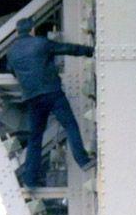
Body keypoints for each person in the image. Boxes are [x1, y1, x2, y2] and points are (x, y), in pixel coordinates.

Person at [6, 17, 95, 188]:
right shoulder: (41, 43)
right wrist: (89, 50)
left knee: (35, 139)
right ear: (32, 29)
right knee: (70, 125)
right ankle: (83, 160)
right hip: (52, 93)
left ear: (18, 32)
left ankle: (30, 180)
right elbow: (67, 48)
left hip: (32, 98)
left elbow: (11, 70)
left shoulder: (11, 52)